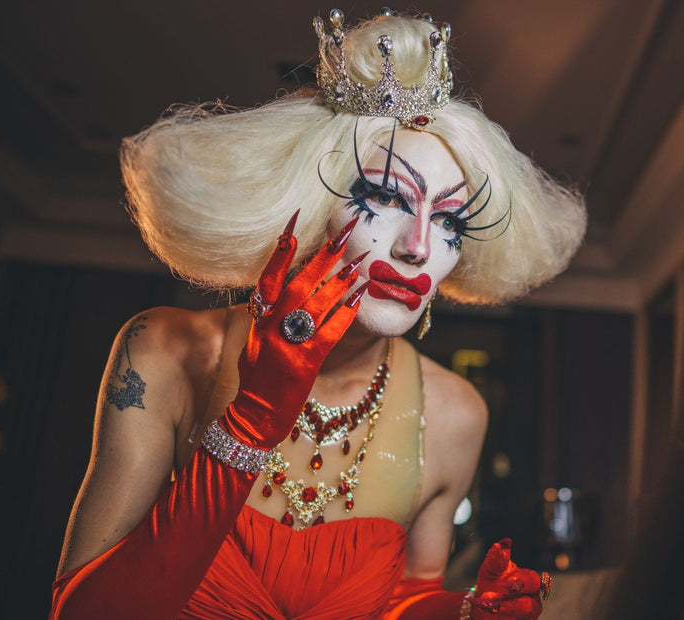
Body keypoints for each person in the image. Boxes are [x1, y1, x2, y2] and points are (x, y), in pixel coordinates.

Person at [50, 8, 584, 619]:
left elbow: (400, 600)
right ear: (305, 202)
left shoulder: (456, 414)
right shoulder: (163, 350)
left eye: (450, 221)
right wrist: (248, 424)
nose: (418, 247)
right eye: (384, 196)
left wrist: (466, 612)